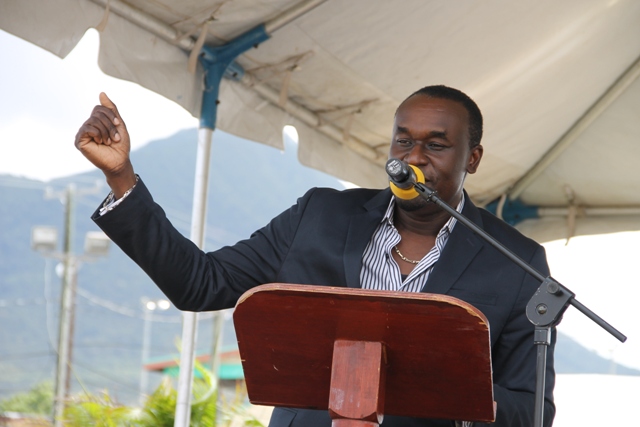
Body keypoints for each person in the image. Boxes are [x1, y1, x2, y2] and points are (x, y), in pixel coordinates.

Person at [75, 85, 555, 427]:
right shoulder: (319, 216)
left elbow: (530, 411)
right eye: (403, 140)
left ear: (472, 158)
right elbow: (199, 283)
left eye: (436, 145)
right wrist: (122, 178)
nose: (413, 157)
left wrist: (439, 383)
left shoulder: (517, 263)